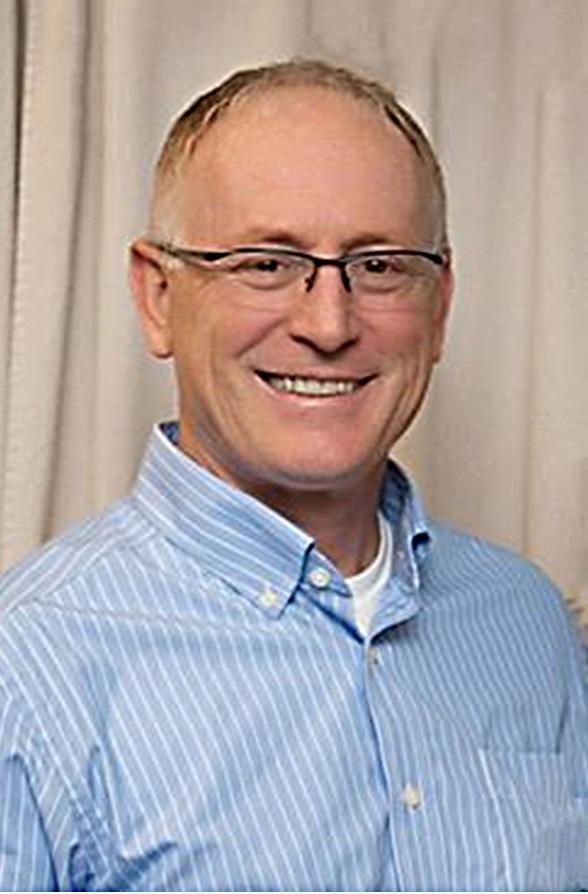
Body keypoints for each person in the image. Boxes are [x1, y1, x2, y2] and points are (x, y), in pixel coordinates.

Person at [0, 58, 586, 893]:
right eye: (266, 263)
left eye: (379, 265)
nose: (329, 323)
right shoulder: (28, 667)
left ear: (440, 304)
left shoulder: (527, 623)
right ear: (158, 297)